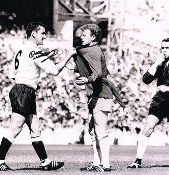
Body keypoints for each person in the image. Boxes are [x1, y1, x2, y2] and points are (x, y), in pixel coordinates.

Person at [0, 22, 76, 171]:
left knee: (35, 128)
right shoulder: (34, 51)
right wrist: (69, 55)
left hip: (21, 89)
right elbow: (54, 70)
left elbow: (13, 74)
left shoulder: (21, 50)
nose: (45, 36)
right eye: (42, 33)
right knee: (15, 127)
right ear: (33, 34)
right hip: (25, 91)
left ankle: (45, 162)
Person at [127, 38, 169, 168]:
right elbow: (146, 80)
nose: (164, 50)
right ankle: (137, 160)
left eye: (167, 48)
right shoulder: (159, 63)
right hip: (160, 101)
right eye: (162, 48)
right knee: (148, 128)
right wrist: (155, 64)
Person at [73, 24, 116, 172]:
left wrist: (86, 79)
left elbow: (97, 73)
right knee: (93, 130)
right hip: (95, 95)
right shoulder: (89, 51)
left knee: (100, 130)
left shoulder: (95, 51)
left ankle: (105, 164)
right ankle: (97, 162)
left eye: (84, 35)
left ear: (93, 37)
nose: (81, 37)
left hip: (102, 94)